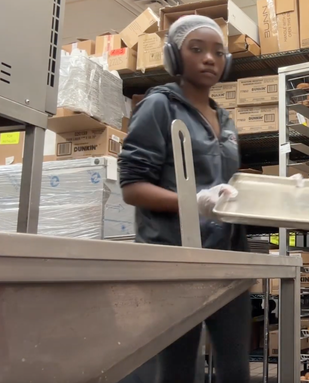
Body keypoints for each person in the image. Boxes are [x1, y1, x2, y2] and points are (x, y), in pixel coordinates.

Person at [117, 15, 250, 383]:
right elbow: (132, 187)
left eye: (219, 52)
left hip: (227, 260)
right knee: (176, 369)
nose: (210, 58)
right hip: (173, 259)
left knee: (235, 370)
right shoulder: (159, 107)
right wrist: (194, 202)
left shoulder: (225, 119)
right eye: (197, 49)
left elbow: (226, 186)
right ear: (175, 58)